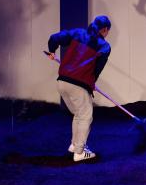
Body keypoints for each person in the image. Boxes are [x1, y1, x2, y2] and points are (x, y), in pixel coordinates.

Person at [47, 16, 112, 162]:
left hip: (62, 82)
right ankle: (79, 153)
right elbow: (97, 68)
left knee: (79, 114)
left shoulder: (78, 33)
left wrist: (52, 51)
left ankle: (74, 146)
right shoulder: (105, 47)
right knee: (86, 116)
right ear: (105, 30)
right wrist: (91, 82)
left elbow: (54, 38)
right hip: (78, 84)